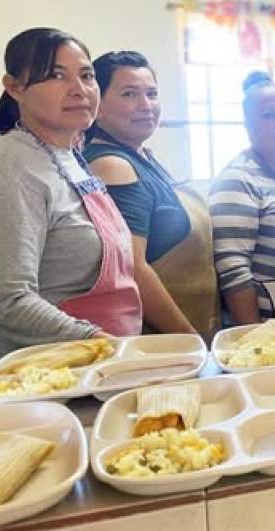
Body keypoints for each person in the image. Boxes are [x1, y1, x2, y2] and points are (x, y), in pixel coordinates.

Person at [0, 28, 141, 357]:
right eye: (56, 76)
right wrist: (103, 344)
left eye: (87, 75)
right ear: (15, 88)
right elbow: (10, 302)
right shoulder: (10, 167)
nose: (79, 90)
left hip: (104, 364)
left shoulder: (70, 153)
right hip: (52, 375)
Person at [84, 51, 219, 338]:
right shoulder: (112, 166)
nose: (146, 105)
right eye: (129, 94)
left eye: (152, 93)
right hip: (161, 343)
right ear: (99, 104)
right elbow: (131, 267)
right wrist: (189, 340)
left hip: (191, 330)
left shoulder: (140, 156)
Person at [209, 71, 275, 323]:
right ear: (248, 126)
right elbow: (232, 267)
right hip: (269, 325)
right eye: (268, 115)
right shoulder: (238, 178)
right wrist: (254, 336)